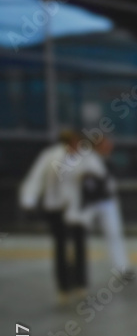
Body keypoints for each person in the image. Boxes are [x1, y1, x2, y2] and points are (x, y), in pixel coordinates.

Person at [18, 130, 87, 304]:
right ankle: (64, 287)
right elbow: (36, 178)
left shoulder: (82, 157)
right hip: (57, 208)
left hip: (76, 208)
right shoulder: (50, 156)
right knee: (61, 247)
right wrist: (29, 200)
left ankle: (80, 283)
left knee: (78, 245)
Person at [79, 137, 136, 281]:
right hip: (89, 203)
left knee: (114, 234)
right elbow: (87, 182)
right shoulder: (87, 159)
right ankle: (77, 271)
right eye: (106, 144)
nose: (110, 146)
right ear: (98, 145)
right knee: (79, 234)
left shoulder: (106, 159)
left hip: (106, 201)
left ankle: (122, 268)